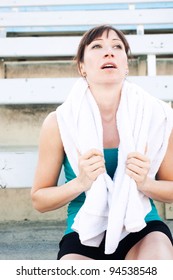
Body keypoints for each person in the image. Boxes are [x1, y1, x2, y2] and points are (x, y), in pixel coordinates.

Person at [31, 24, 173, 260]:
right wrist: (81, 182)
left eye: (117, 46)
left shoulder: (157, 116)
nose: (109, 52)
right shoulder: (58, 122)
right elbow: (39, 200)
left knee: (159, 262)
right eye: (97, 46)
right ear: (82, 67)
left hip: (140, 226)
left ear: (126, 65)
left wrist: (145, 183)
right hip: (84, 232)